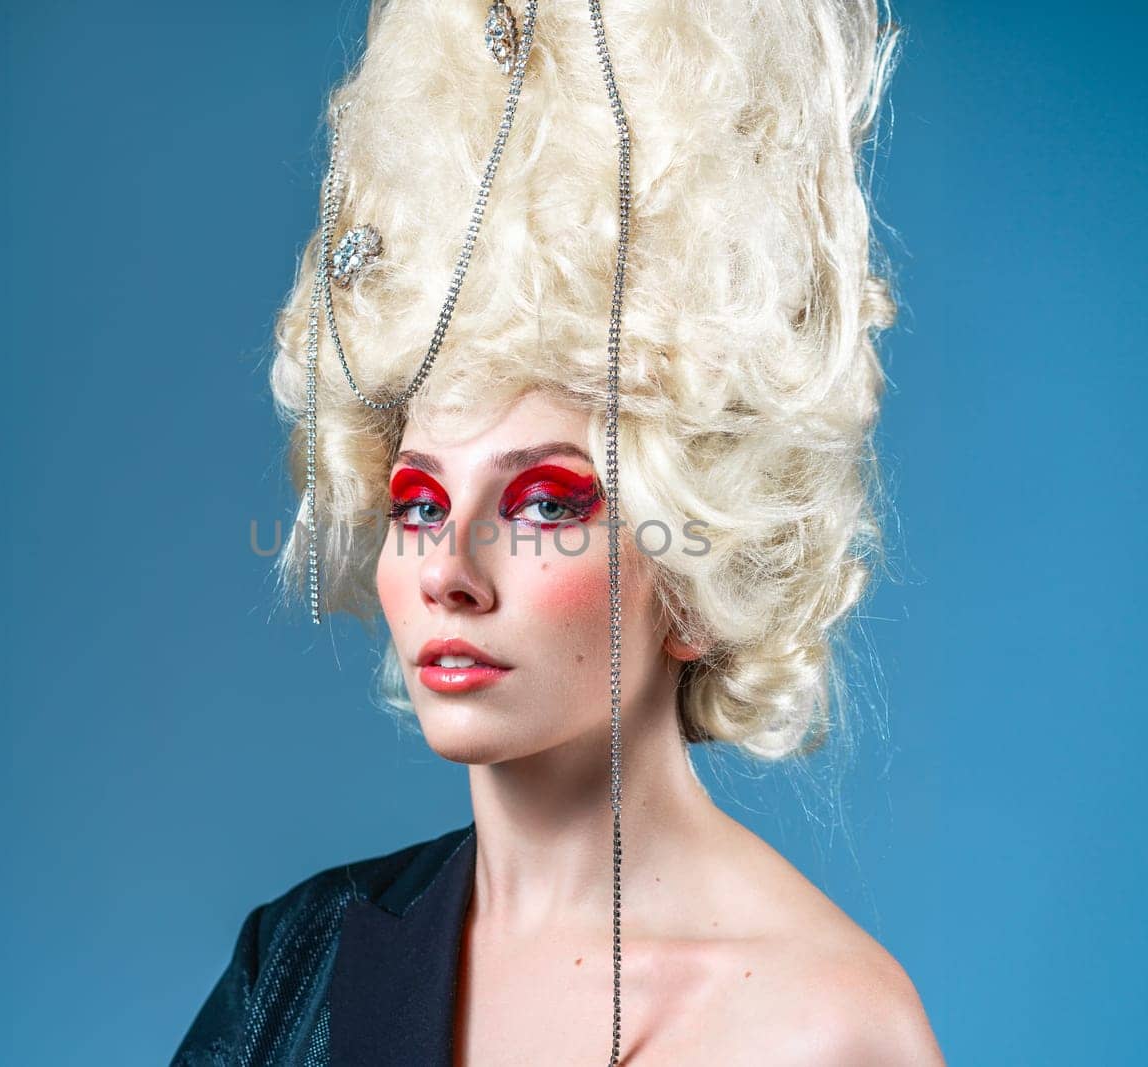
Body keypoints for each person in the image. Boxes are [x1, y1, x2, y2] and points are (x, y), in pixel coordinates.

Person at [172, 0, 945, 1063]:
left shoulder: (831, 1030)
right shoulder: (303, 963)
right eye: (417, 499)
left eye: (543, 501)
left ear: (691, 575)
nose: (448, 569)